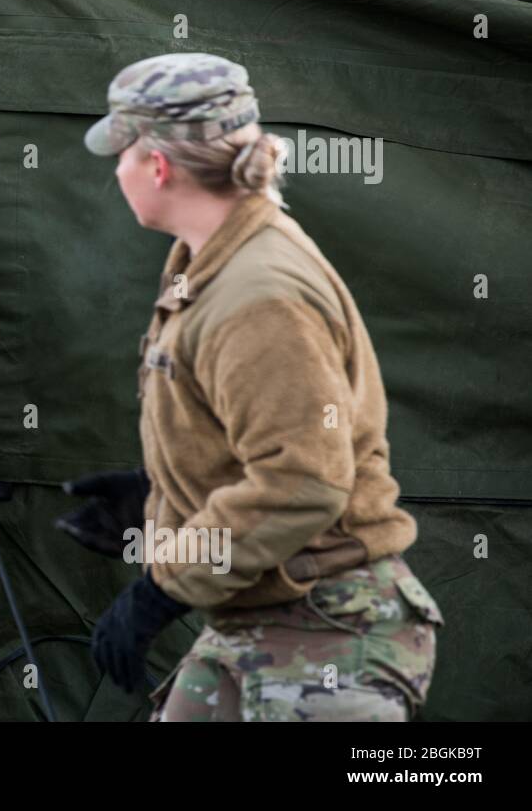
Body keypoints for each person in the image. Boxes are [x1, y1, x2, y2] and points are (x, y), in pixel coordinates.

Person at [71, 52, 443, 721]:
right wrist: (165, 495)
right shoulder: (211, 259)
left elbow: (302, 480)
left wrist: (160, 590)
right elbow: (255, 433)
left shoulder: (259, 292)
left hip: (329, 635)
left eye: (122, 151)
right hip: (258, 620)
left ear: (158, 166)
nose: (116, 170)